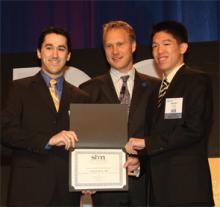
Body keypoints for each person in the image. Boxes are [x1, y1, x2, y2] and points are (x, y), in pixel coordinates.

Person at [125, 20, 214, 206]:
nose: (159, 51)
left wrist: (146, 143)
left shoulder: (196, 80)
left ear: (183, 47)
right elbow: (156, 134)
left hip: (187, 189)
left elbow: (194, 129)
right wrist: (140, 160)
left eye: (166, 44)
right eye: (155, 46)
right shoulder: (155, 91)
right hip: (158, 192)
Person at [2, 27, 90, 206]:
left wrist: (89, 178)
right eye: (49, 47)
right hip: (27, 189)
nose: (55, 54)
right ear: (39, 52)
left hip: (67, 192)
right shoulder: (18, 89)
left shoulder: (82, 97)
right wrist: (48, 140)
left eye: (61, 48)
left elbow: (87, 143)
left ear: (69, 55)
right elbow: (6, 131)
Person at [79, 20, 159, 207]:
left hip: (145, 187)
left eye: (120, 44)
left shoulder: (155, 88)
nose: (115, 51)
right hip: (103, 193)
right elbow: (82, 140)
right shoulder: (87, 91)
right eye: (109, 45)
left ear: (133, 45)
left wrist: (141, 161)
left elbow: (160, 136)